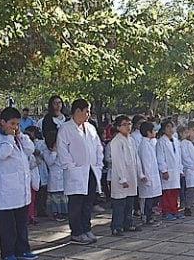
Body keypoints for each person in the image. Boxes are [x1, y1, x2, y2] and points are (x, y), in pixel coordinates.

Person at [0, 107, 38, 260]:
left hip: (21, 189)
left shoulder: (19, 137)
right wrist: (10, 138)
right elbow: (2, 154)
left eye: (17, 124)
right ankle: (8, 252)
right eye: (11, 123)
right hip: (7, 190)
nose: (14, 127)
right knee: (8, 225)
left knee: (21, 223)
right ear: (2, 122)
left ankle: (23, 249)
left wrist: (20, 136)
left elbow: (30, 149)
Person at [57, 99, 104, 245]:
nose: (89, 114)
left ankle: (86, 228)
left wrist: (98, 163)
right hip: (75, 172)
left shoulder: (90, 127)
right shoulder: (66, 128)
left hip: (90, 170)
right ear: (78, 111)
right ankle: (77, 232)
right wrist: (71, 167)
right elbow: (62, 150)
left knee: (88, 203)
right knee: (76, 204)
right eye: (87, 111)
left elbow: (98, 146)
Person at [108, 115, 144, 236]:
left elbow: (136, 158)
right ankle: (116, 226)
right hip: (121, 177)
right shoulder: (116, 141)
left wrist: (140, 173)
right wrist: (122, 178)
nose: (128, 126)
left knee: (129, 201)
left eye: (129, 124)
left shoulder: (131, 140)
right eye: (124, 124)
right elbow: (118, 161)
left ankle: (128, 223)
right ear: (118, 127)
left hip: (131, 175)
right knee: (120, 202)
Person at [156, 119, 183, 221]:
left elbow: (179, 157)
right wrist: (164, 170)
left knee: (175, 192)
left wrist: (180, 170)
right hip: (167, 170)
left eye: (172, 127)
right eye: (168, 127)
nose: (171, 129)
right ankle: (166, 211)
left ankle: (174, 210)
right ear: (163, 129)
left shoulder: (176, 141)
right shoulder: (161, 142)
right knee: (167, 192)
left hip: (175, 170)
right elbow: (160, 157)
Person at [137, 121, 163, 223]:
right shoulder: (144, 145)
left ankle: (149, 215)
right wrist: (147, 177)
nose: (155, 132)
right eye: (153, 130)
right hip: (148, 176)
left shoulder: (150, 143)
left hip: (153, 174)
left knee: (151, 198)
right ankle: (146, 216)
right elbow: (146, 163)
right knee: (147, 199)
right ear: (148, 132)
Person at [43, 131, 68, 222]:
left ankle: (64, 212)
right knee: (55, 196)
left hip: (63, 174)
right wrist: (54, 152)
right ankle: (56, 213)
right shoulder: (46, 151)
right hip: (54, 175)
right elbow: (49, 162)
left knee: (63, 195)